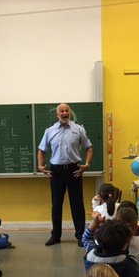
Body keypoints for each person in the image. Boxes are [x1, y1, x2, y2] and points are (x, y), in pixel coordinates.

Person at [38, 103, 93, 247]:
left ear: (70, 113)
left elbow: (89, 147)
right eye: (61, 111)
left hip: (74, 170)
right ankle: (55, 236)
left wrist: (86, 165)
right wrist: (40, 166)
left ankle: (81, 236)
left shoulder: (78, 129)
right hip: (56, 171)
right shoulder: (50, 130)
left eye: (66, 110)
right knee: (56, 204)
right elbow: (42, 150)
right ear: (57, 114)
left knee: (77, 204)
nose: (64, 113)